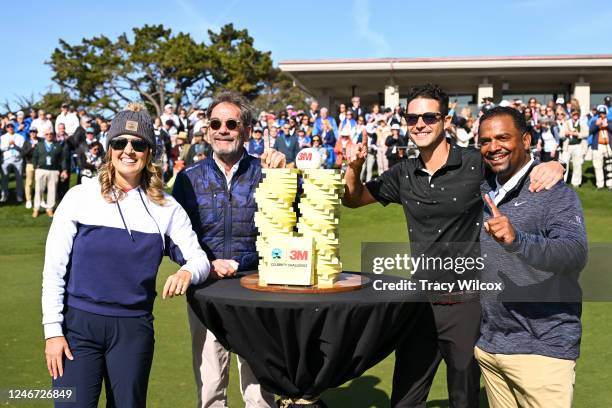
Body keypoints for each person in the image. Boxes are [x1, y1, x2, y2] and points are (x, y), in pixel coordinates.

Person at [342, 84, 565, 408]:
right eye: (412, 117)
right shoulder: (403, 172)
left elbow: (518, 168)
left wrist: (556, 165)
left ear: (445, 120)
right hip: (418, 302)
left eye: (429, 117)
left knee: (463, 398)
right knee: (404, 399)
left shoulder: (474, 163)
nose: (419, 124)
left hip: (466, 303)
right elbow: (354, 199)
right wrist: (354, 168)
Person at [42, 102, 210, 408]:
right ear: (110, 149)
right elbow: (54, 269)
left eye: (138, 144)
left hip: (133, 329)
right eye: (120, 143)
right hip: (77, 327)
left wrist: (187, 272)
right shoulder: (80, 196)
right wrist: (53, 332)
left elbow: (199, 259)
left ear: (149, 153)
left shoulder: (167, 208)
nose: (128, 150)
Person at [172, 91, 286, 408]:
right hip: (206, 289)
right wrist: (205, 263)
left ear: (246, 130)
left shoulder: (267, 172)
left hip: (256, 287)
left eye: (232, 123)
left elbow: (294, 224)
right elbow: (173, 238)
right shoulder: (187, 179)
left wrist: (285, 175)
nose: (223, 129)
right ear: (208, 131)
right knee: (210, 388)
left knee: (260, 390)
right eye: (216, 123)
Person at [475, 106, 587, 408]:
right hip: (491, 348)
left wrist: (517, 240)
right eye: (485, 141)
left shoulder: (554, 192)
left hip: (541, 350)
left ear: (526, 140)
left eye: (503, 137)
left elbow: (574, 253)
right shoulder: (484, 186)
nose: (493, 147)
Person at [32, 128, 68, 218]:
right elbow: (34, 157)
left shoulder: (58, 145)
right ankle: (36, 208)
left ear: (53, 135)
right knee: (39, 189)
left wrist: (64, 170)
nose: (49, 135)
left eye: (50, 134)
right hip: (41, 170)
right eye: (47, 134)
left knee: (52, 190)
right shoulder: (39, 145)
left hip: (53, 170)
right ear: (44, 135)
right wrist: (35, 166)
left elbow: (63, 159)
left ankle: (50, 209)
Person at [560, 109, 588, 187]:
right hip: (567, 146)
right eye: (574, 114)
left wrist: (577, 134)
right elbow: (561, 134)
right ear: (571, 115)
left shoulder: (582, 123)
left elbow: (586, 133)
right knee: (564, 164)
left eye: (576, 114)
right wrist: (566, 133)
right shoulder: (567, 123)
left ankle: (576, 182)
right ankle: (562, 181)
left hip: (578, 145)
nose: (575, 116)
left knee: (577, 164)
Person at [0, 122, 26, 203]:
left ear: (14, 127)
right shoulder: (2, 137)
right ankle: (4, 195)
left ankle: (19, 195)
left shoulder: (20, 137)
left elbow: (22, 149)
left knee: (19, 178)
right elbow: (1, 148)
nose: (10, 128)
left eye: (11, 126)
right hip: (6, 160)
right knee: (4, 179)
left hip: (17, 160)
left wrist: (15, 145)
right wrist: (8, 144)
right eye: (8, 126)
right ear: (6, 128)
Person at [589, 105, 612, 189]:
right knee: (597, 165)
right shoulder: (594, 121)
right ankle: (600, 184)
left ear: (606, 114)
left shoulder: (610, 121)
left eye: (603, 113)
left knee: (610, 166)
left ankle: (610, 184)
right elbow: (589, 131)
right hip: (598, 146)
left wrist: (607, 126)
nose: (602, 115)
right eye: (600, 113)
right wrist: (596, 125)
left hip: (608, 146)